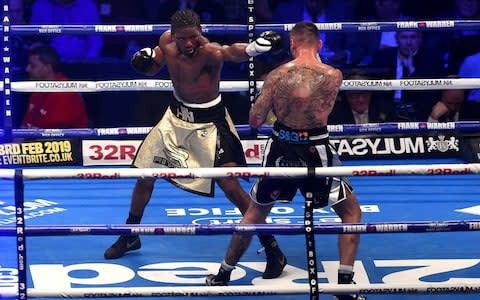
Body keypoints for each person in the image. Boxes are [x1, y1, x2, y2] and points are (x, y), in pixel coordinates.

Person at [103, 9, 287, 280]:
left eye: (193, 37)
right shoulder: (166, 41)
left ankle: (272, 249)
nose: (188, 44)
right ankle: (131, 234)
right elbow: (154, 66)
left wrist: (253, 48)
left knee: (232, 187)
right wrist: (144, 62)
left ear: (200, 31)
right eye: (182, 39)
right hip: (175, 118)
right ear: (172, 35)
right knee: (144, 175)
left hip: (210, 123)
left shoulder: (210, 52)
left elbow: (232, 52)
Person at [206, 21, 366, 300]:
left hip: (281, 147)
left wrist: (275, 110)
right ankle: (343, 284)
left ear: (292, 44)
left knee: (255, 213)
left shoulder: (277, 76)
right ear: (321, 44)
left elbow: (255, 121)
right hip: (316, 148)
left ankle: (223, 273)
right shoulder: (333, 75)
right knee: (350, 213)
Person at [21, 44, 89, 129]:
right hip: (35, 140)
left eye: (32, 66)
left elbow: (56, 134)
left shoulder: (64, 93)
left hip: (65, 141)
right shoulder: (39, 89)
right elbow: (26, 125)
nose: (27, 69)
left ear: (47, 68)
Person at [29, 0, 103, 62]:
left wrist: (87, 63)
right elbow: (36, 40)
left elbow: (95, 41)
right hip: (48, 65)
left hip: (81, 62)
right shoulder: (40, 6)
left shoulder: (88, 6)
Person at [329, 69, 398, 124]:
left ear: (370, 93)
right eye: (355, 95)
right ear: (347, 95)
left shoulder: (384, 109)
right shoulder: (336, 114)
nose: (360, 100)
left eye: (365, 94)